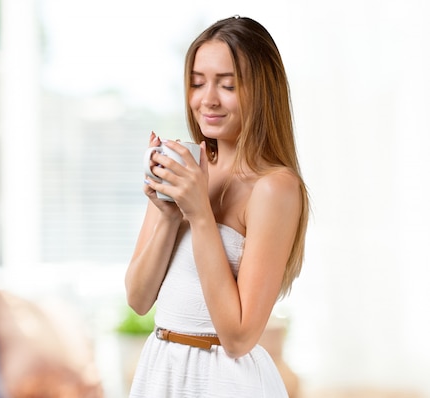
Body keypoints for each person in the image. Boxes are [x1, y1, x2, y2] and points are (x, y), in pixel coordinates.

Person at [125, 15, 309, 397]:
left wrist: (199, 213)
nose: (207, 99)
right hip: (161, 371)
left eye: (227, 85)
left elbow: (239, 337)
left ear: (261, 90)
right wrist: (169, 216)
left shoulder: (274, 188)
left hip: (227, 381)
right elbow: (139, 300)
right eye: (197, 83)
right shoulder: (185, 168)